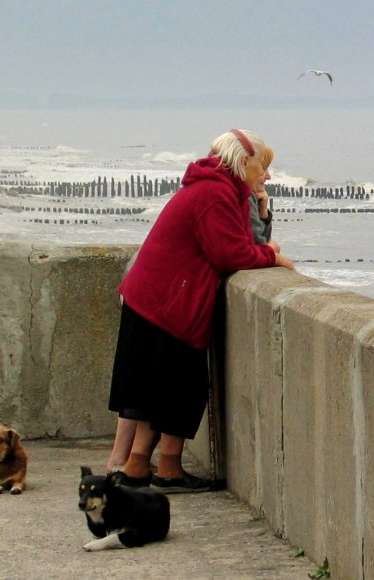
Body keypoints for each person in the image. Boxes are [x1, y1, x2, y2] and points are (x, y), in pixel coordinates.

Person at [107, 129, 294, 493]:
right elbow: (231, 254)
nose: (266, 174)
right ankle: (153, 469)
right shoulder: (215, 194)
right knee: (172, 390)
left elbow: (239, 243)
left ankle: (149, 468)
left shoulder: (222, 190)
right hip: (167, 303)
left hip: (162, 298)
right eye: (262, 165)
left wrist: (260, 211)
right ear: (243, 162)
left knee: (165, 391)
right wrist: (273, 255)